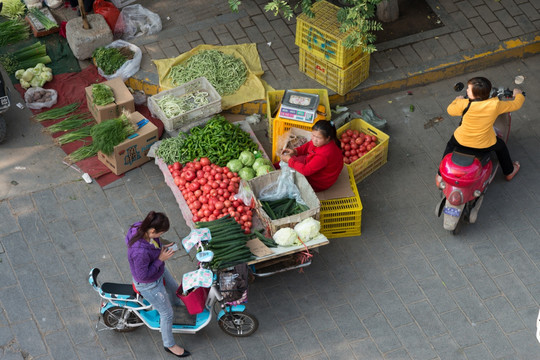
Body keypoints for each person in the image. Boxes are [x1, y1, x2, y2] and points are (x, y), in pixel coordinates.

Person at [437, 77, 525, 186]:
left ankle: (440, 175)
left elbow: (450, 110)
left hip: (460, 140)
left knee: (450, 145)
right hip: (484, 144)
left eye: (468, 89)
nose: (467, 91)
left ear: (473, 95)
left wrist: (457, 100)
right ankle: (509, 172)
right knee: (501, 146)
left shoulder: (464, 104)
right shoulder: (495, 105)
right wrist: (518, 94)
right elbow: (516, 105)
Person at [125, 211, 191, 358]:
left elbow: (153, 245)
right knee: (166, 313)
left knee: (175, 289)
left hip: (158, 271)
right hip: (149, 284)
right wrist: (160, 259)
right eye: (160, 233)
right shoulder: (139, 252)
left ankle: (176, 311)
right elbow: (143, 275)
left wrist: (161, 248)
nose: (160, 236)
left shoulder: (140, 227)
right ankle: (169, 344)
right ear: (152, 230)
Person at [280, 120, 343, 192]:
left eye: (318, 138)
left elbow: (306, 170)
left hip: (319, 182)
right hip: (318, 167)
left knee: (289, 180)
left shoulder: (324, 155)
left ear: (328, 138)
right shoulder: (322, 142)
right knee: (291, 161)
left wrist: (290, 160)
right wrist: (295, 151)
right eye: (313, 135)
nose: (314, 139)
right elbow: (309, 145)